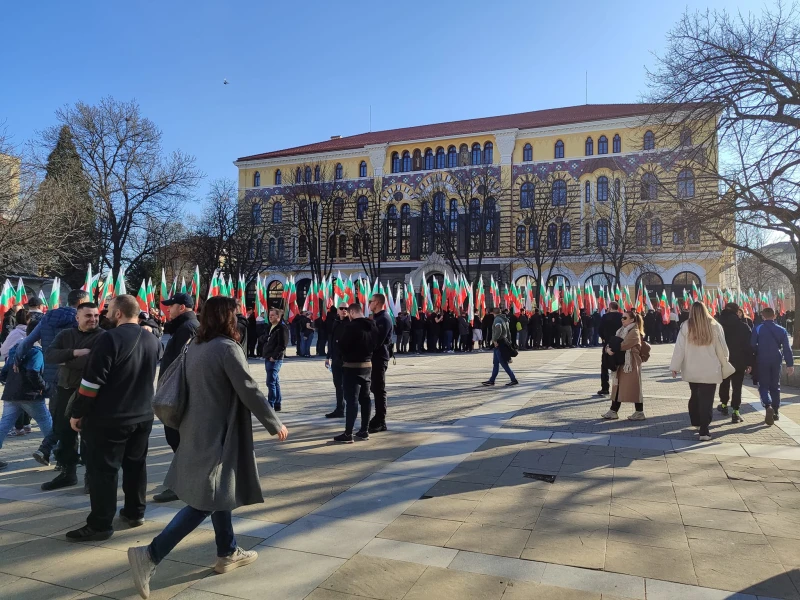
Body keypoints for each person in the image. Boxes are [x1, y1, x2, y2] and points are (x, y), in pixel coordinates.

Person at [127, 296, 289, 599]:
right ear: (227, 317)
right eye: (235, 314)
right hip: (220, 434)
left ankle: (227, 551)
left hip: (194, 429)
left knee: (219, 490)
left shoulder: (196, 346)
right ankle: (150, 554)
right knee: (205, 500)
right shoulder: (227, 348)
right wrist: (274, 422)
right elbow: (250, 389)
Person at [66, 295, 162, 541]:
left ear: (119, 313)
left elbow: (90, 383)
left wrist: (78, 413)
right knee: (135, 466)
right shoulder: (152, 339)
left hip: (111, 417)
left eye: (108, 310)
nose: (105, 313)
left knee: (103, 472)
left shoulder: (108, 339)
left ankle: (100, 525)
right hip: (142, 415)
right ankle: (135, 511)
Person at [40, 302, 104, 491]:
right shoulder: (65, 335)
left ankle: (91, 478)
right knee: (64, 432)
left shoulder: (103, 337)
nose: (93, 319)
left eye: (95, 315)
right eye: (88, 316)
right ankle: (68, 473)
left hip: (89, 393)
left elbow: (91, 363)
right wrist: (74, 353)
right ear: (77, 318)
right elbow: (49, 356)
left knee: (89, 436)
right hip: (64, 390)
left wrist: (66, 361)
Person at [153, 292, 199, 504]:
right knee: (177, 439)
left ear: (182, 307)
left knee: (177, 439)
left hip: (178, 394)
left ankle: (181, 485)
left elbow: (184, 363)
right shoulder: (183, 327)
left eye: (171, 306)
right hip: (176, 391)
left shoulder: (188, 328)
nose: (167, 309)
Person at [670, 302, 733, 441]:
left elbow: (679, 348)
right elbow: (722, 349)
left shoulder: (686, 326)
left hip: (692, 368)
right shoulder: (715, 325)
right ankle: (704, 430)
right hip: (710, 368)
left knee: (695, 395)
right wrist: (725, 362)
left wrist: (675, 366)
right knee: (707, 399)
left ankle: (696, 421)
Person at [0, 321, 53, 471]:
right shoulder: (36, 351)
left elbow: (4, 372)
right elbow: (33, 372)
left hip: (11, 392)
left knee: (4, 424)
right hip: (30, 395)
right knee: (46, 421)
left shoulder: (15, 348)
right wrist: (44, 387)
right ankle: (58, 451)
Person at [333, 303, 379, 443]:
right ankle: (364, 430)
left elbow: (342, 346)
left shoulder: (351, 327)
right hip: (367, 365)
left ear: (352, 312)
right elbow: (377, 344)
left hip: (351, 366)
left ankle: (348, 433)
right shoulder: (373, 326)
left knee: (352, 399)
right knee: (365, 398)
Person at [601, 310, 649, 420]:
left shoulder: (634, 331)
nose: (622, 320)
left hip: (630, 363)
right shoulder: (621, 330)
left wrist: (610, 348)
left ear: (632, 320)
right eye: (622, 318)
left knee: (634, 388)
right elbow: (613, 341)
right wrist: (607, 348)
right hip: (622, 363)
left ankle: (639, 412)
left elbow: (623, 345)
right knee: (618, 386)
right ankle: (613, 411)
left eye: (625, 318)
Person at [751, 306, 794, 426]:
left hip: (762, 359)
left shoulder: (758, 328)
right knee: (775, 385)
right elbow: (787, 348)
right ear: (774, 316)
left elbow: (752, 345)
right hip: (776, 359)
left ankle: (767, 404)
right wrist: (790, 364)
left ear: (763, 316)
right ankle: (775, 410)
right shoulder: (782, 330)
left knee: (763, 384)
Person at [717, 303, 754, 424]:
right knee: (737, 387)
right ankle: (736, 412)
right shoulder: (743, 326)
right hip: (739, 361)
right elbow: (748, 346)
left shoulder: (718, 326)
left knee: (724, 383)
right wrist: (749, 362)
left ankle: (723, 404)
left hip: (723, 360)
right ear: (736, 311)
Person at [368, 294, 393, 433]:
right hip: (374, 358)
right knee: (375, 389)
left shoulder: (383, 318)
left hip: (379, 358)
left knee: (379, 390)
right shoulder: (377, 318)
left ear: (377, 303)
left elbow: (377, 341)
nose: (369, 304)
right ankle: (377, 418)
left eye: (370, 301)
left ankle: (380, 421)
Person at [260, 308, 289, 411]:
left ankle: (270, 404)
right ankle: (277, 404)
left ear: (278, 316)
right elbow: (263, 338)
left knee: (270, 382)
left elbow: (282, 345)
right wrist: (266, 338)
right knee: (275, 381)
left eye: (272, 315)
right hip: (267, 356)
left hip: (274, 359)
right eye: (269, 315)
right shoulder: (269, 327)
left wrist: (274, 356)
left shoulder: (282, 328)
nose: (270, 317)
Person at [482, 307, 518, 386]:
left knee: (503, 363)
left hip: (499, 343)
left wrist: (494, 340)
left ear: (493, 313)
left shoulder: (497, 320)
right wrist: (509, 341)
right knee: (496, 363)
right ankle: (492, 380)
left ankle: (513, 379)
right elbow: (508, 332)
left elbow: (499, 330)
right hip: (502, 342)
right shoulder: (504, 319)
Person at [325, 305, 348, 419]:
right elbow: (332, 341)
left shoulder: (350, 323)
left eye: (346, 308)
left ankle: (349, 409)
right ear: (338, 311)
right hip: (335, 359)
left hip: (346, 360)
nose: (344, 310)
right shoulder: (336, 322)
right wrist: (328, 356)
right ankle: (339, 408)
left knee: (348, 386)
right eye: (341, 308)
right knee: (338, 385)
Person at [598, 302, 623, 395]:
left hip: (607, 343)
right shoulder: (622, 316)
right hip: (619, 343)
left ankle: (605, 388)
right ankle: (619, 388)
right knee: (619, 365)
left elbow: (600, 329)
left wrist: (604, 338)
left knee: (604, 366)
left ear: (610, 307)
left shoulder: (605, 317)